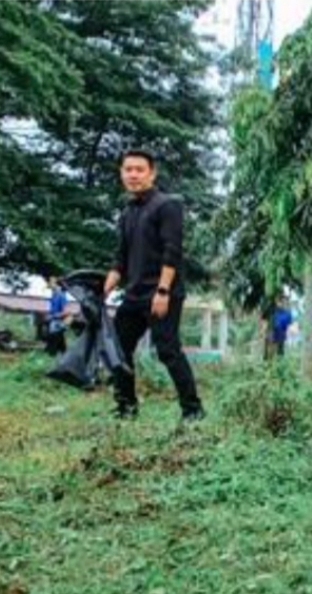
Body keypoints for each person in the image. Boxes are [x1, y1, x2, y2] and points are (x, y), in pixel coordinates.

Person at [103, 148, 204, 421]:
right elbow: (119, 260)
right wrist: (103, 290)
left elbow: (172, 250)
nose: (133, 175)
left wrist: (163, 291)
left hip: (163, 292)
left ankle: (193, 411)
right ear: (122, 173)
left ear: (152, 173)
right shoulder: (127, 213)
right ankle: (126, 407)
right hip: (134, 294)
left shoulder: (166, 205)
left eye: (139, 169)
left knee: (168, 350)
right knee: (119, 349)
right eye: (128, 169)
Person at [44, 276, 71, 356]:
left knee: (54, 340)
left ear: (56, 285)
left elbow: (66, 311)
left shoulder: (62, 296)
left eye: (51, 284)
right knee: (59, 343)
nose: (50, 286)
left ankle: (53, 355)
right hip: (53, 322)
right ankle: (63, 356)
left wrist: (53, 316)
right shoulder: (53, 296)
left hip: (58, 322)